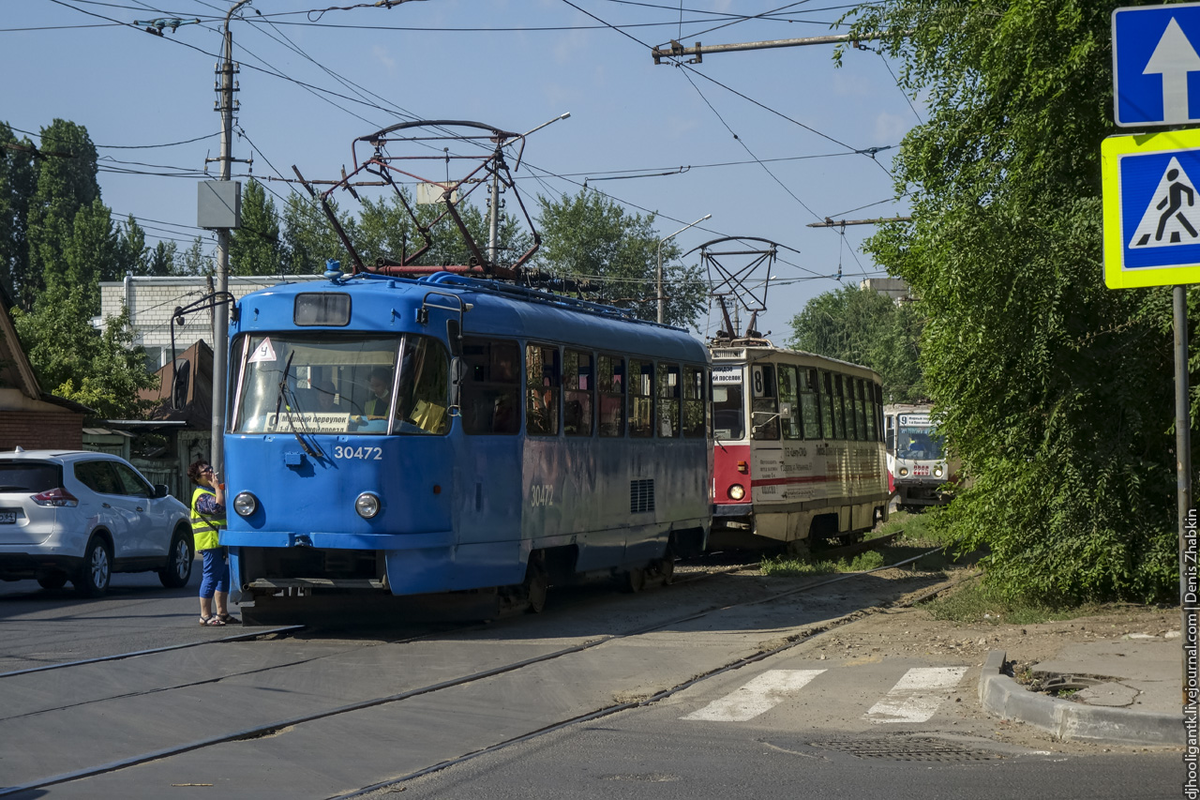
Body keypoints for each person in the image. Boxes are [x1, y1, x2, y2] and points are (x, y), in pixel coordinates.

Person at [188, 458, 238, 626]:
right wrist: (217, 488)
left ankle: (222, 613)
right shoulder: (201, 495)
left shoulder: (208, 491)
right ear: (197, 478)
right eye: (206, 471)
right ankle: (205, 615)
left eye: (210, 468)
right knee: (210, 577)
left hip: (219, 541)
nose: (210, 472)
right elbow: (217, 507)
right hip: (209, 542)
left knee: (223, 576)